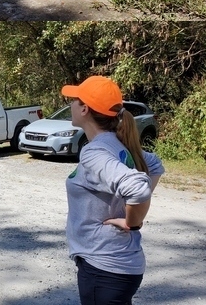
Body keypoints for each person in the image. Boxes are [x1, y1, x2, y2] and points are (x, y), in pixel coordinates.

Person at [62, 75, 165, 305]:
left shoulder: (95, 152)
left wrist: (132, 221)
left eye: (74, 100)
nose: (70, 104)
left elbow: (138, 188)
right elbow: (155, 165)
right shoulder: (116, 143)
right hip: (119, 265)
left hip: (104, 267)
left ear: (85, 109)